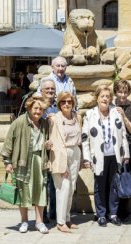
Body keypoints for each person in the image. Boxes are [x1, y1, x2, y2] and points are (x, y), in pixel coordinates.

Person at [1, 95, 50, 234]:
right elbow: (8, 142)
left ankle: (39, 222)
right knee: (24, 192)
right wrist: (7, 162)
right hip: (23, 161)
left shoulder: (45, 123)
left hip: (39, 160)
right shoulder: (19, 122)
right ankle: (24, 221)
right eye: (35, 108)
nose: (38, 112)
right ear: (29, 108)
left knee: (40, 191)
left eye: (40, 109)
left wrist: (48, 145)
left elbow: (48, 140)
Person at [82, 85, 130, 227]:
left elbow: (123, 135)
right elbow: (85, 138)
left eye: (107, 96)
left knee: (114, 185)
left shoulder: (116, 112)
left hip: (114, 155)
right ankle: (101, 214)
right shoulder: (90, 114)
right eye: (102, 96)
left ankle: (113, 214)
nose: (105, 99)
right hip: (98, 156)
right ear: (97, 98)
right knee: (99, 186)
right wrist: (86, 158)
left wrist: (125, 153)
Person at [47, 91, 81, 233]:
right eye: (63, 101)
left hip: (75, 153)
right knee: (63, 187)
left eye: (69, 101)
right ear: (59, 104)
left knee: (71, 188)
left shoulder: (77, 117)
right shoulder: (54, 119)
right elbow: (50, 138)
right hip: (61, 154)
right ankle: (60, 222)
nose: (66, 104)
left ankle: (67, 218)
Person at [113, 80, 131, 221]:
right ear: (115, 92)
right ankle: (111, 211)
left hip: (127, 146)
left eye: (125, 92)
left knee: (125, 177)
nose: (122, 95)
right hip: (111, 146)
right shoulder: (110, 105)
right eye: (120, 92)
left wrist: (124, 116)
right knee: (112, 178)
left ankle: (124, 211)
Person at [39, 77, 58, 223]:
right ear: (41, 91)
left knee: (55, 183)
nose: (50, 91)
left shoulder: (60, 105)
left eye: (52, 89)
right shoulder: (37, 106)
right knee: (43, 183)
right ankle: (43, 213)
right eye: (47, 89)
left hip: (57, 150)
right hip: (41, 150)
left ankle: (55, 213)